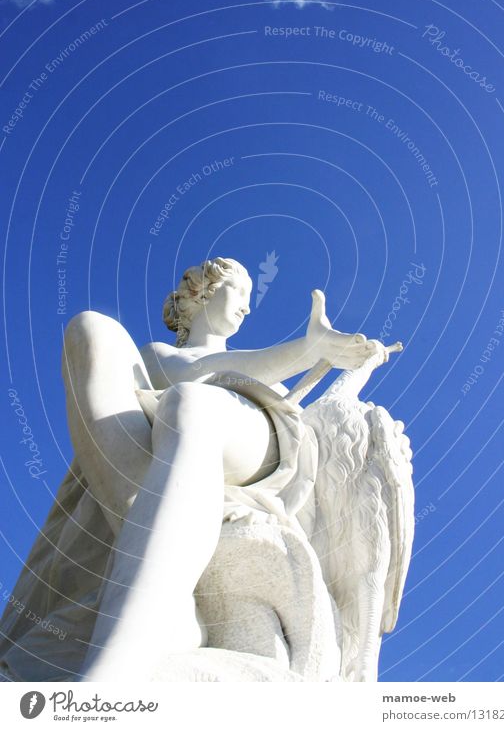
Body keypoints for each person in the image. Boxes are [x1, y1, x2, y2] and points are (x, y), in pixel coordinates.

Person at [1, 257, 388, 682]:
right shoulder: (159, 356)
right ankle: (168, 599)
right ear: (201, 293)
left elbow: (218, 377)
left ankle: (108, 676)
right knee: (92, 328)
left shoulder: (250, 374)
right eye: (239, 291)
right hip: (166, 434)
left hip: (255, 440)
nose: (247, 307)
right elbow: (198, 369)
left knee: (192, 403)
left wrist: (311, 353)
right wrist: (307, 351)